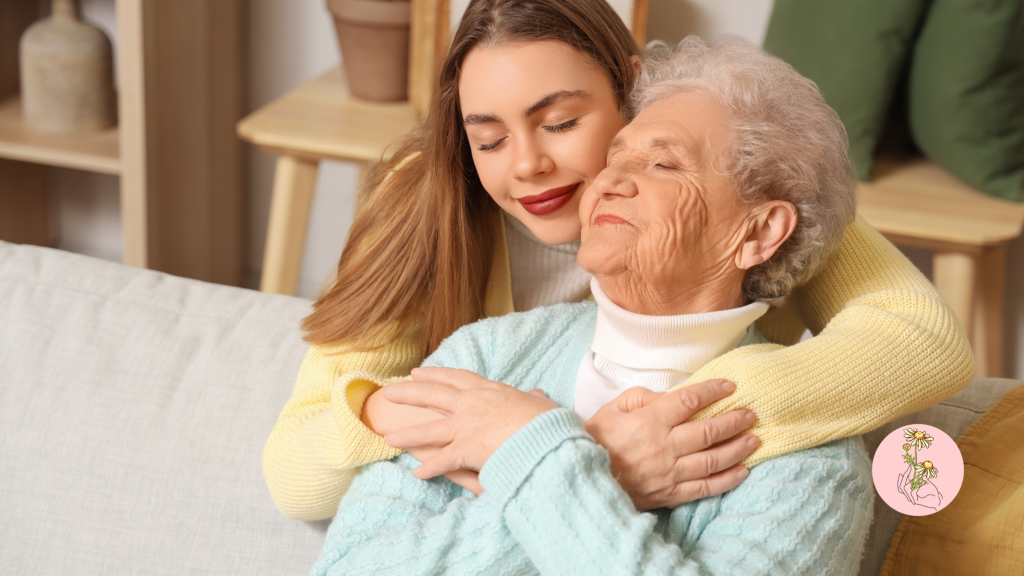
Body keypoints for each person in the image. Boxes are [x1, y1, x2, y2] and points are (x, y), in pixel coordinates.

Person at [264, 0, 973, 521]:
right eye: (489, 140)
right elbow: (295, 470)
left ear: (631, 90)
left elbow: (925, 340)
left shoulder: (738, 201)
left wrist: (667, 430)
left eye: (561, 123)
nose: (528, 166)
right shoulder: (425, 201)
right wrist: (402, 416)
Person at [311, 37, 873, 576]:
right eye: (615, 157)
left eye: (665, 165)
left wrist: (538, 453)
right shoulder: (484, 356)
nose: (609, 182)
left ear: (759, 231)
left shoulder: (811, 458)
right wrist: (606, 467)